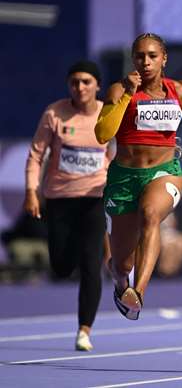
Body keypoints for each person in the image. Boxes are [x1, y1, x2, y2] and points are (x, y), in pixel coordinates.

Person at [94, 32, 182, 320]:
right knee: (119, 264)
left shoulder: (179, 89)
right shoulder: (118, 90)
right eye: (140, 56)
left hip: (165, 172)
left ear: (164, 59)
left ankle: (139, 291)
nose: (146, 62)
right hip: (125, 178)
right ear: (133, 60)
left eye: (152, 56)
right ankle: (122, 285)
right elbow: (102, 134)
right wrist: (127, 94)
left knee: (150, 214)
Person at [24, 60, 115, 351]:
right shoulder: (54, 113)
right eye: (74, 82)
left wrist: (113, 174)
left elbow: (121, 151)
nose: (80, 87)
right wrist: (31, 191)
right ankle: (71, 249)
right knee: (61, 267)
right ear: (69, 85)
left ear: (97, 86)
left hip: (93, 197)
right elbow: (36, 155)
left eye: (86, 81)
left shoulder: (107, 114)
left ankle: (84, 330)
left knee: (92, 265)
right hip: (60, 199)